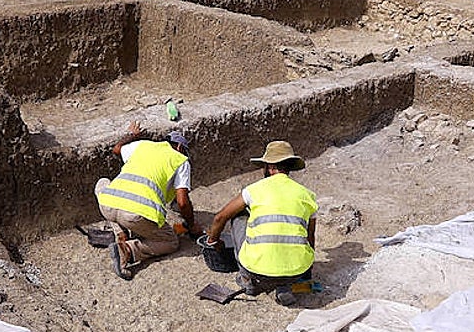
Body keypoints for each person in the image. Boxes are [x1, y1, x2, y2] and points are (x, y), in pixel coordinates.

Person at [206, 141, 318, 307]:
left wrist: (213, 241)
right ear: (289, 167)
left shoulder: (254, 190)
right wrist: (305, 272)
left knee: (238, 215)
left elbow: (220, 217)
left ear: (270, 167)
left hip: (256, 268)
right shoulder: (308, 195)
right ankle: (284, 287)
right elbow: (310, 238)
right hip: (297, 270)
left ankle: (247, 280)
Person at [95, 124, 201, 280]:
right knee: (171, 242)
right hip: (134, 215)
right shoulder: (181, 160)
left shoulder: (144, 145)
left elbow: (117, 149)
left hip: (108, 205)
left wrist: (133, 135)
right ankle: (127, 250)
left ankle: (120, 231)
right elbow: (183, 202)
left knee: (102, 183)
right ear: (179, 147)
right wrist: (191, 225)